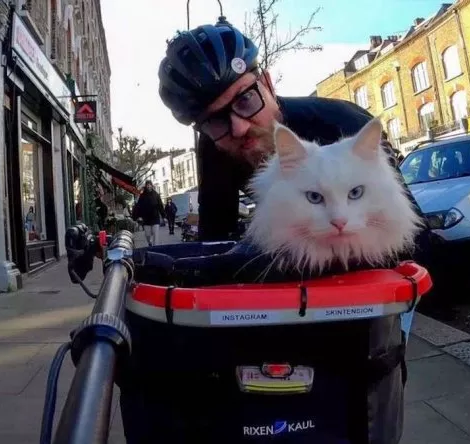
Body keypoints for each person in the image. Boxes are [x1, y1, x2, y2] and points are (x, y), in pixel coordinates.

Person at [151, 16, 437, 443]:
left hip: (364, 328)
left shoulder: (340, 123)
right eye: (214, 122)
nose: (238, 128)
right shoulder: (217, 151)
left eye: (245, 100)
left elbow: (413, 241)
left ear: (266, 81)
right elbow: (220, 241)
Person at [131, 180, 166, 246]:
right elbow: (139, 206)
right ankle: (149, 242)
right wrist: (136, 217)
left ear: (152, 186)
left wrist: (163, 216)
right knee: (147, 234)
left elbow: (160, 206)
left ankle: (155, 247)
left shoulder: (156, 195)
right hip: (146, 219)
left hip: (155, 217)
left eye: (150, 185)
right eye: (147, 185)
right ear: (146, 186)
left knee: (155, 234)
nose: (149, 186)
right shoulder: (142, 196)